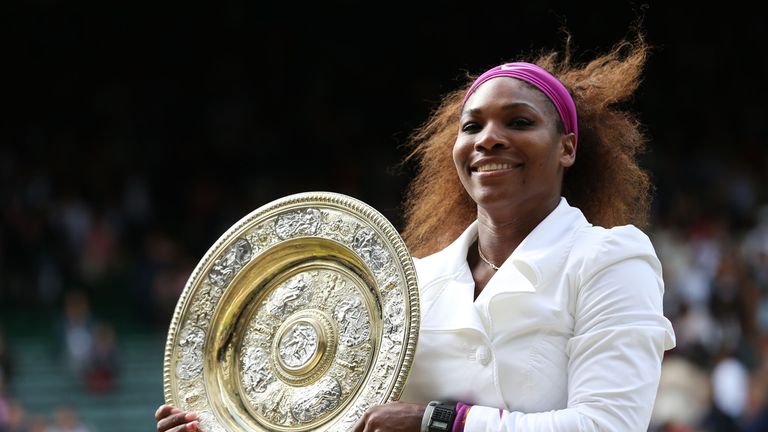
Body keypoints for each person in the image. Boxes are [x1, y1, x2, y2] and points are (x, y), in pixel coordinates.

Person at [156, 34, 676, 432]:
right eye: (471, 127)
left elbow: (607, 425)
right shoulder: (411, 283)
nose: (489, 139)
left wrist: (440, 421)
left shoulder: (609, 258)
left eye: (518, 122)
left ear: (566, 148)